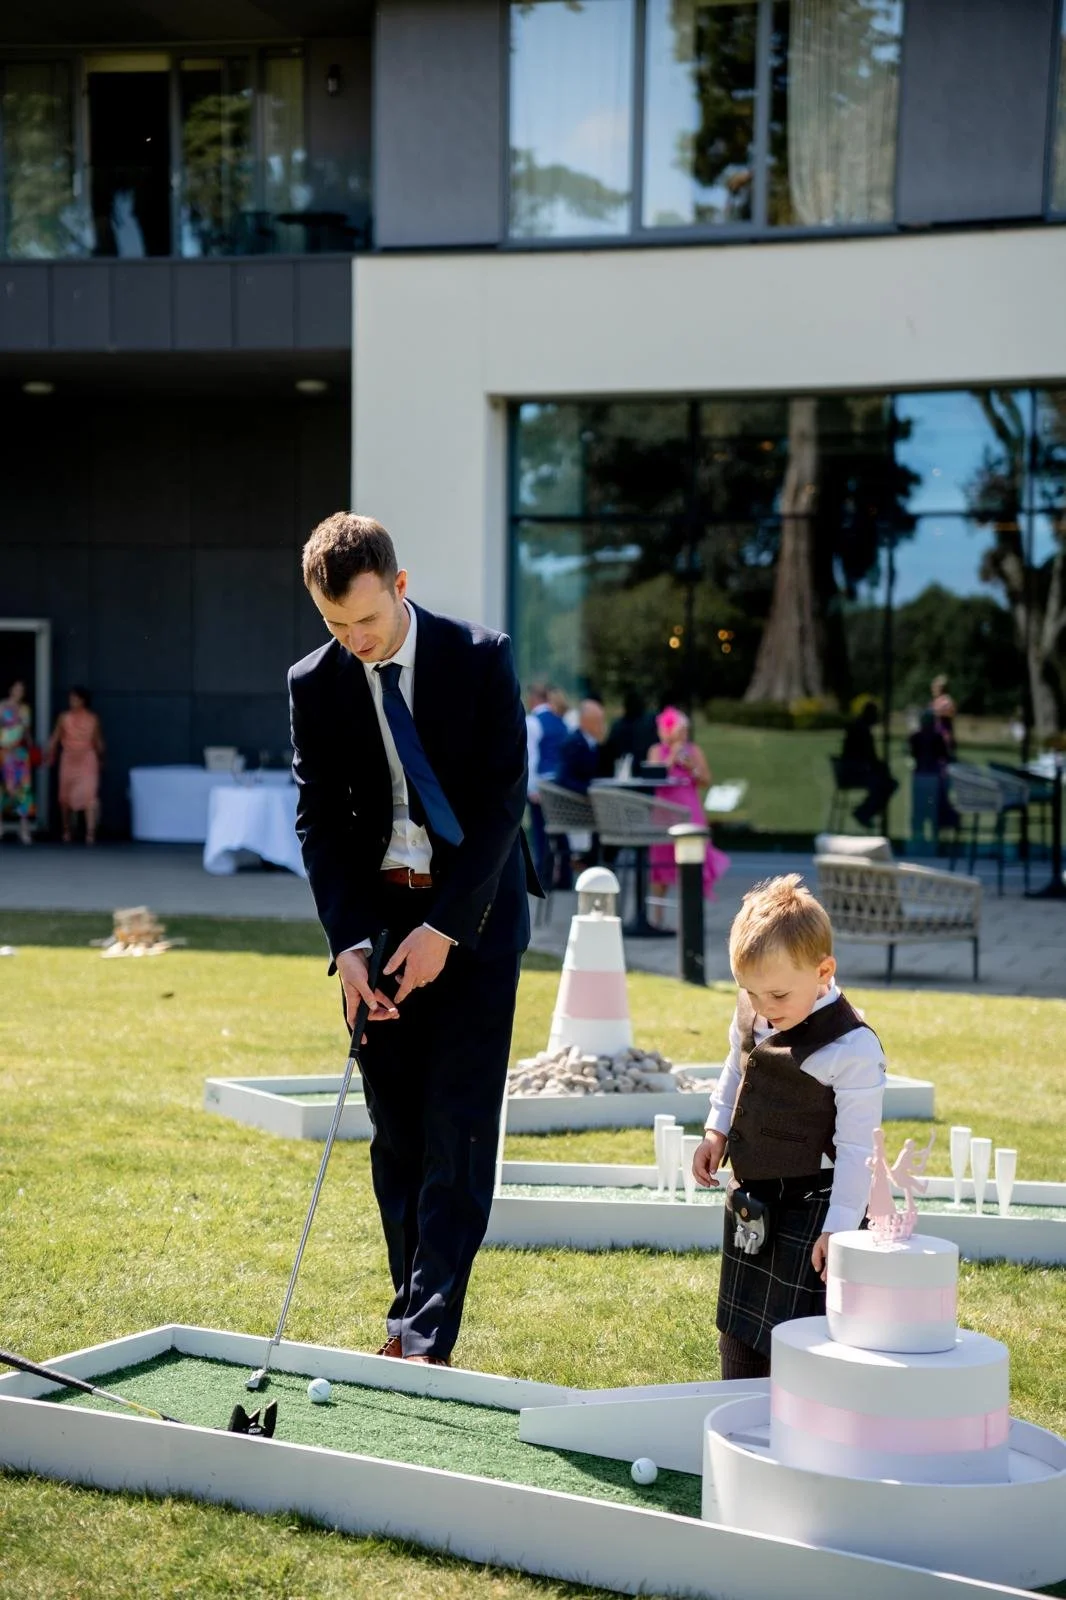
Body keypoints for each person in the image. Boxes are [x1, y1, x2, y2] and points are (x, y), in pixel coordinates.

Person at [289, 514, 542, 1367]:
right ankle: (406, 1315)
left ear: (399, 587)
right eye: (334, 626)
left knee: (457, 1128)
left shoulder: (479, 656)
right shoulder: (315, 683)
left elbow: (506, 804)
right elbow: (319, 822)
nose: (354, 641)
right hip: (379, 926)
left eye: (365, 620)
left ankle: (429, 1338)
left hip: (472, 920)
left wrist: (444, 929)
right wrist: (350, 943)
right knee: (396, 1132)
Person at [691, 875, 885, 1380]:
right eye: (750, 993)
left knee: (798, 1330)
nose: (763, 1009)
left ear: (823, 972)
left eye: (776, 995)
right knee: (739, 1323)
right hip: (752, 1195)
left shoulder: (852, 1048)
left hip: (816, 1203)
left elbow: (858, 1148)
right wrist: (716, 1130)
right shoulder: (757, 1013)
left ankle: (797, 1427)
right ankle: (734, 1410)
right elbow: (738, 1067)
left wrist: (840, 1229)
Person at [646, 706, 730, 912]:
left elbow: (705, 780)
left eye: (685, 731)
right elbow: (653, 778)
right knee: (661, 863)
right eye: (679, 730)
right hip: (664, 813)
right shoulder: (656, 751)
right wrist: (672, 758)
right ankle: (657, 915)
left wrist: (691, 766)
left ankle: (692, 913)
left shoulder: (693, 751)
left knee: (694, 862)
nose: (683, 735)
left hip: (689, 812)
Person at [47, 686, 104, 844]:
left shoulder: (92, 718)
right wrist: (49, 753)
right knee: (65, 795)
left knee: (89, 794)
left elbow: (97, 741)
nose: (72, 701)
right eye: (71, 698)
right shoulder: (64, 717)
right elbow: (55, 737)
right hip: (69, 758)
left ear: (83, 701)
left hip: (87, 758)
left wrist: (101, 758)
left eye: (75, 698)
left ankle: (90, 833)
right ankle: (66, 830)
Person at [525, 679, 568, 887]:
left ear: (533, 698)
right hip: (560, 785)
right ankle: (566, 877)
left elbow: (531, 757)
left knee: (541, 832)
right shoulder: (561, 721)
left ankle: (544, 876)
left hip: (542, 785)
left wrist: (531, 787)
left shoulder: (533, 722)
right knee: (561, 831)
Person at [838, 701, 898, 828]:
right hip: (855, 773)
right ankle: (864, 812)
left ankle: (865, 811)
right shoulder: (862, 731)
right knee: (887, 785)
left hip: (855, 770)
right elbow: (869, 757)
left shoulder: (858, 728)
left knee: (886, 783)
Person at [1, 679, 35, 846]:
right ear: (11, 689)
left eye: (22, 689)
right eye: (17, 688)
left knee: (24, 789)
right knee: (4, 787)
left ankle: (24, 829)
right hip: (4, 752)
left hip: (20, 754)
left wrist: (31, 747)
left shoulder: (25, 709)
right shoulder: (2, 706)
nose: (19, 692)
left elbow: (27, 731)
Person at [555, 697, 606, 796]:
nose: (602, 726)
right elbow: (563, 779)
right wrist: (590, 791)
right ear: (585, 721)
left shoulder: (591, 743)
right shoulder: (573, 743)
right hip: (576, 803)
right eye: (598, 721)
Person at [603, 690, 659, 778]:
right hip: (646, 771)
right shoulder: (651, 722)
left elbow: (609, 750)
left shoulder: (618, 726)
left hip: (622, 772)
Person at [930, 674, 957, 757]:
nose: (932, 689)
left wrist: (936, 713)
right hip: (935, 738)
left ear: (941, 688)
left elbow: (951, 713)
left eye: (935, 687)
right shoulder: (935, 701)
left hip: (944, 739)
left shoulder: (946, 700)